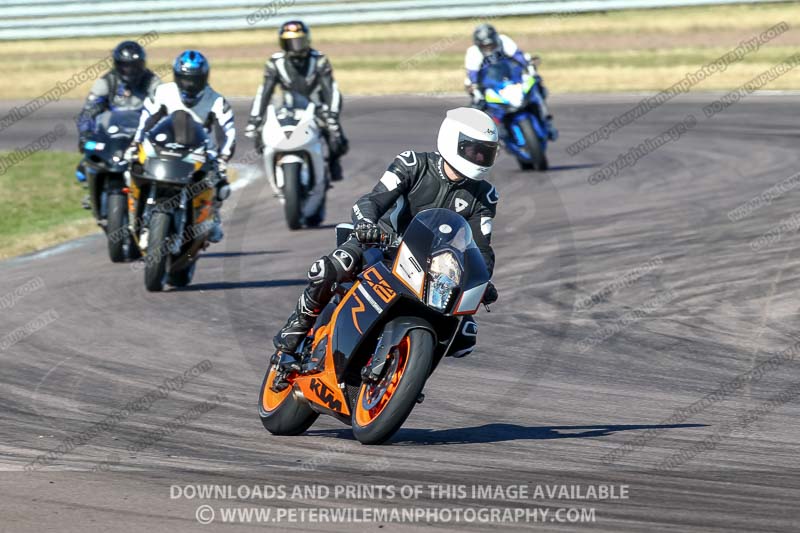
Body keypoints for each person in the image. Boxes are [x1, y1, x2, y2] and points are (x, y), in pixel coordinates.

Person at [272, 107, 500, 373]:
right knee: (331, 268)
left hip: (432, 266)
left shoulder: (485, 195)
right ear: (452, 140)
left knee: (464, 333)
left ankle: (406, 372)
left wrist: (481, 280)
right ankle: (291, 340)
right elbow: (371, 200)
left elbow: (482, 247)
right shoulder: (413, 163)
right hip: (382, 242)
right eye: (475, 150)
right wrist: (367, 225)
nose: (481, 158)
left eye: (487, 152)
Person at [127, 50, 235, 243]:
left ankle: (212, 216)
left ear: (204, 78)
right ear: (177, 77)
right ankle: (137, 213)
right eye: (185, 79)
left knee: (220, 183)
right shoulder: (162, 92)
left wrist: (223, 158)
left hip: (200, 151)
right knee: (132, 169)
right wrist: (136, 143)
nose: (189, 85)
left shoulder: (216, 101)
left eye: (194, 80)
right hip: (164, 145)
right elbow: (146, 120)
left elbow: (228, 133)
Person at [245, 20, 348, 182]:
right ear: (282, 43)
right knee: (260, 134)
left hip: (316, 106)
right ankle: (276, 163)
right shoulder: (275, 62)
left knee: (337, 137)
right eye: (290, 42)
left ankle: (334, 162)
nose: (295, 47)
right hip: (288, 106)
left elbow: (331, 90)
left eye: (298, 42)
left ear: (306, 40)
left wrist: (332, 115)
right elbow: (264, 92)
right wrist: (255, 119)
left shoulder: (319, 59)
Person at [76, 41, 161, 204]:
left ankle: (153, 198)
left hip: (141, 136)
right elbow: (88, 111)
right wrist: (85, 134)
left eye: (134, 66)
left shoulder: (152, 81)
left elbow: (165, 106)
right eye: (125, 66)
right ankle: (94, 191)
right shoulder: (107, 82)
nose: (129, 70)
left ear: (141, 65)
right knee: (82, 169)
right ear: (117, 65)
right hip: (112, 135)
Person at [464, 23, 557, 141]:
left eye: (491, 45)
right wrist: (476, 90)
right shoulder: (473, 53)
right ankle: (496, 134)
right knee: (478, 105)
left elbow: (519, 57)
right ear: (478, 45)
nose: (489, 48)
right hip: (490, 84)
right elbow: (473, 75)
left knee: (538, 87)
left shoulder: (504, 41)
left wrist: (529, 68)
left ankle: (547, 122)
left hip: (512, 78)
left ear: (495, 39)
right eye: (485, 46)